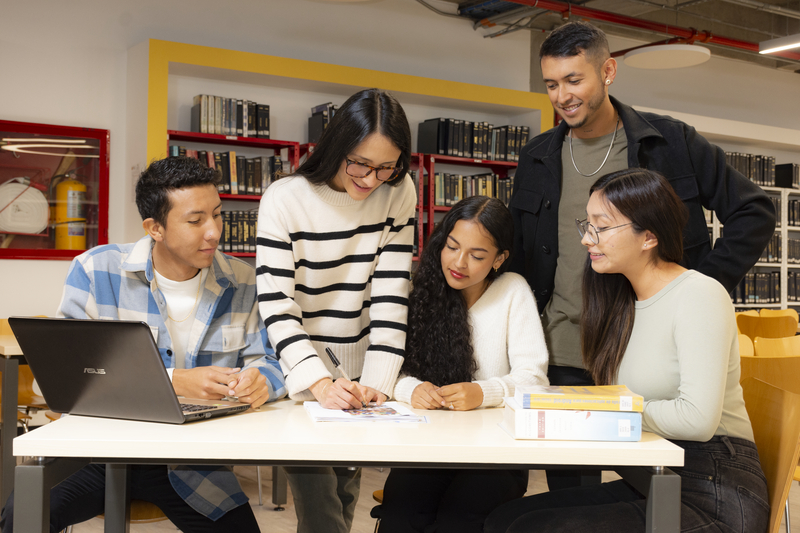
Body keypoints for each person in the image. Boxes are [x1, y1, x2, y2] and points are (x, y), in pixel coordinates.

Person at [509, 20, 775, 490]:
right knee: (573, 504)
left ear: (608, 71)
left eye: (574, 80)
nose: (562, 96)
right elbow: (519, 254)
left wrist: (697, 287)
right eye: (551, 84)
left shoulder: (672, 142)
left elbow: (754, 211)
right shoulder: (535, 156)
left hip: (644, 355)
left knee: (659, 492)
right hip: (565, 353)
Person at [0, 156, 286, 532]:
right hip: (100, 451)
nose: (214, 232)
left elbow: (271, 360)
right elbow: (67, 378)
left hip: (193, 461)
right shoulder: (96, 271)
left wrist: (262, 380)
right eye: (196, 220)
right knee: (20, 516)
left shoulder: (244, 280)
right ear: (155, 228)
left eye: (218, 215)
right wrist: (174, 381)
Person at [485, 168, 769, 533]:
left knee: (534, 529)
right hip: (654, 475)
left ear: (649, 236)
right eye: (586, 224)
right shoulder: (622, 301)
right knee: (504, 519)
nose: (586, 239)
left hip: (716, 489)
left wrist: (605, 413)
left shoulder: (699, 294)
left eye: (601, 227)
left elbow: (697, 419)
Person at [255, 88, 417, 533]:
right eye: (360, 163)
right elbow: (277, 303)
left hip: (360, 373)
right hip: (299, 367)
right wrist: (319, 382)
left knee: (345, 498)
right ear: (336, 147)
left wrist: (378, 383)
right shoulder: (285, 198)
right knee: (321, 506)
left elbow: (391, 294)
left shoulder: (399, 191)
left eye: (386, 167)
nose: (371, 179)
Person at [377, 195, 549, 533]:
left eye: (477, 255)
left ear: (499, 259)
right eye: (452, 247)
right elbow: (388, 369)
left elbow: (534, 380)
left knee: (459, 519)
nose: (459, 262)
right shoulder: (421, 288)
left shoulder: (512, 291)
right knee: (400, 513)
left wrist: (482, 392)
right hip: (428, 444)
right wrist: (411, 389)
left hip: (496, 453)